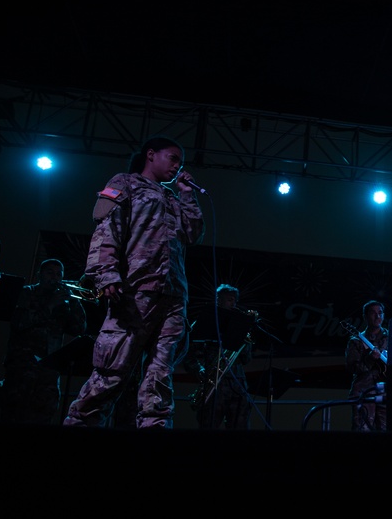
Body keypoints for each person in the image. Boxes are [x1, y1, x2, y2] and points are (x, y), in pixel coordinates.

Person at [63, 135, 205, 428]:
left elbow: (192, 234)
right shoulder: (125, 183)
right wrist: (106, 273)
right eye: (173, 158)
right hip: (135, 292)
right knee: (112, 372)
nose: (178, 167)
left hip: (172, 296)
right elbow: (107, 228)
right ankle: (80, 424)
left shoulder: (173, 197)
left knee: (160, 376)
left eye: (181, 162)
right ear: (151, 155)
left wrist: (187, 195)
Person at [0, 258, 87, 424]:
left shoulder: (64, 300)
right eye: (50, 273)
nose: (55, 277)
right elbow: (19, 323)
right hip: (21, 367)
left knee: (44, 416)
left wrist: (72, 303)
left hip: (48, 371)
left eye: (59, 274)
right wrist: (49, 306)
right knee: (12, 415)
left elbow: (79, 329)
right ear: (40, 275)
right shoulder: (26, 292)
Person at [183, 284, 255, 429]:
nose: (233, 303)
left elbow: (246, 359)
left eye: (235, 300)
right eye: (229, 299)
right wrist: (199, 369)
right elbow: (187, 353)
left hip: (237, 384)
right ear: (218, 300)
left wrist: (245, 339)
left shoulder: (240, 325)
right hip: (214, 384)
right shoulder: (204, 322)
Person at [344, 300, 388, 432]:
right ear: (366, 316)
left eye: (380, 313)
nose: (377, 316)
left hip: (386, 392)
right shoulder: (357, 340)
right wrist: (369, 359)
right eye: (373, 313)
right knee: (362, 430)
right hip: (364, 392)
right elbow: (352, 368)